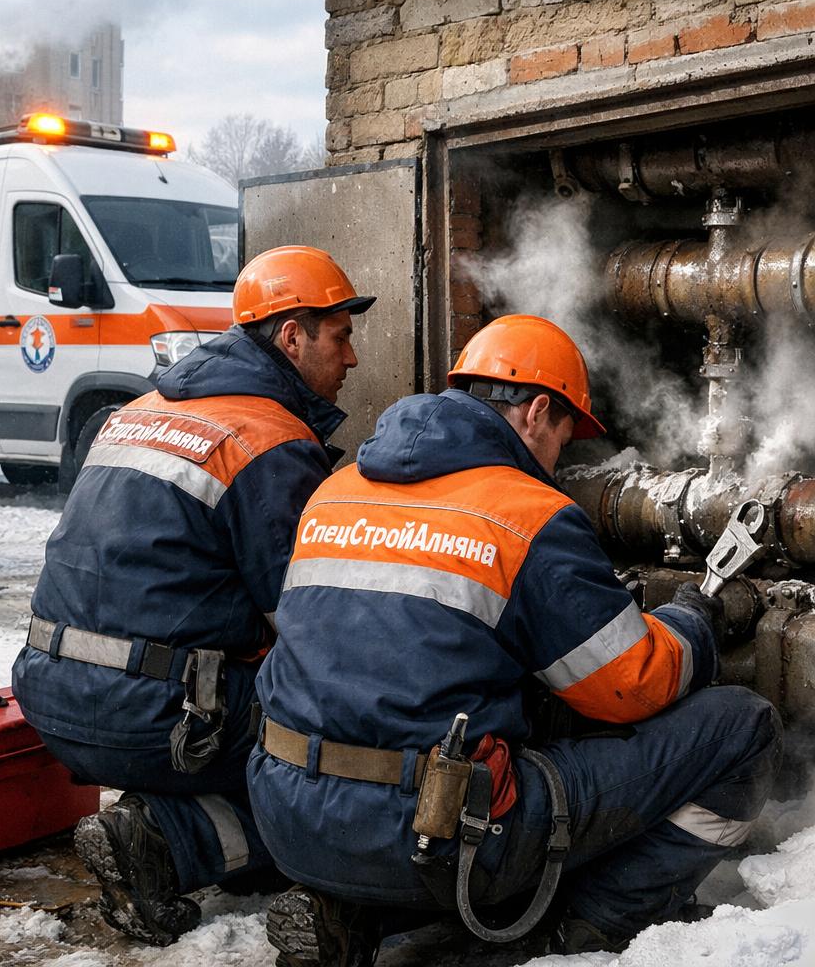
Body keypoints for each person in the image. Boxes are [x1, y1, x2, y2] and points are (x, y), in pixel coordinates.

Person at [248, 314, 783, 966]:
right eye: (566, 436)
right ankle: (590, 919)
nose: (562, 460)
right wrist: (694, 620)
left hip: (286, 818)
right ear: (534, 412)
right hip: (436, 836)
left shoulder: (336, 491)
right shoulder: (525, 513)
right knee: (739, 726)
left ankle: (349, 912)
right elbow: (632, 686)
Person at [11, 245, 375, 946]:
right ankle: (168, 841)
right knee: (346, 764)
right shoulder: (267, 440)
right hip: (155, 716)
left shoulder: (144, 408)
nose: (352, 358)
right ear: (292, 336)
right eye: (341, 336)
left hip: (53, 697)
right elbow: (306, 628)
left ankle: (163, 825)